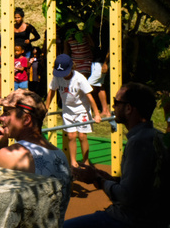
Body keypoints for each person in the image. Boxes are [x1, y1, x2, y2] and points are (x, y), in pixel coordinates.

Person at [65, 82, 170, 227]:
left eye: (116, 103)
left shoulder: (138, 143)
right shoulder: (155, 136)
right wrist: (109, 178)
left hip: (129, 219)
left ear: (128, 108)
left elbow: (127, 196)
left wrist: (98, 180)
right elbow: (141, 185)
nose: (112, 107)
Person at [0, 89, 71, 225]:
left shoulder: (11, 155)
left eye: (7, 113)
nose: (1, 118)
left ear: (26, 119)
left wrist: (1, 148)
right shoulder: (60, 155)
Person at [45, 54, 102, 168]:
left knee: (82, 136)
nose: (62, 75)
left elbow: (90, 97)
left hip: (82, 110)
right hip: (68, 110)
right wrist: (46, 108)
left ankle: (86, 161)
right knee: (71, 136)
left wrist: (97, 114)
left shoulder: (79, 78)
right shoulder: (57, 77)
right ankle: (73, 162)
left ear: (71, 68)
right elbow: (52, 91)